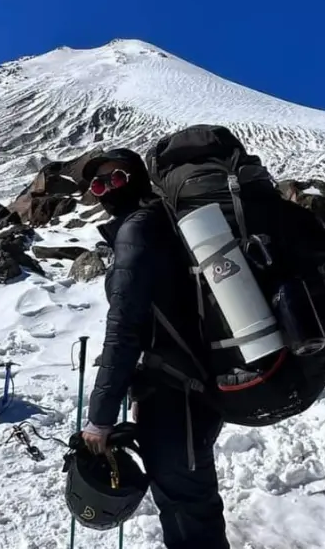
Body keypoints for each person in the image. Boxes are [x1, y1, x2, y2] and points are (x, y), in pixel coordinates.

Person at [79, 147, 230, 549]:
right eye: (97, 184)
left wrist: (100, 417)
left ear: (139, 178)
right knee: (186, 500)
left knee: (187, 508)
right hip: (190, 385)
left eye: (116, 178)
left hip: (176, 391)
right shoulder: (163, 223)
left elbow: (125, 327)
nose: (107, 189)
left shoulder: (138, 229)